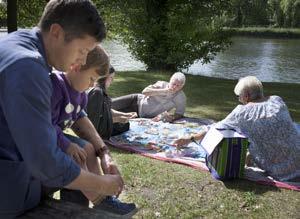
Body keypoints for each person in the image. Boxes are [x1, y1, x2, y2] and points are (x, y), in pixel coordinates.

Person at [0, 1, 127, 217]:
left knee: (80, 154)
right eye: (82, 50)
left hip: (18, 164)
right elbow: (47, 164)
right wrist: (103, 185)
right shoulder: (29, 67)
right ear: (57, 32)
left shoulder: (19, 41)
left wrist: (103, 151)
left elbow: (78, 116)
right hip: (10, 189)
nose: (83, 60)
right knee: (71, 164)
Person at [50, 45, 137, 216]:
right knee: (77, 158)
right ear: (76, 66)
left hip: (57, 137)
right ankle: (99, 200)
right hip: (47, 138)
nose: (91, 85)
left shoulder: (81, 94)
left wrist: (104, 153)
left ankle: (104, 199)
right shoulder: (56, 86)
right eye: (90, 78)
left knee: (88, 148)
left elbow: (78, 118)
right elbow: (45, 124)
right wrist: (67, 144)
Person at [174, 76, 300, 182]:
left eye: (239, 96)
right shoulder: (277, 101)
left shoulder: (241, 113)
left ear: (246, 96)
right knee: (293, 126)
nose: (239, 100)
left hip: (282, 172)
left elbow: (215, 128)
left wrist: (190, 138)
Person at [111, 72, 186, 123]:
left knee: (112, 116)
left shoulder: (181, 97)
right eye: (173, 84)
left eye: (178, 85)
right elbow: (145, 91)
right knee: (109, 104)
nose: (175, 87)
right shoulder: (161, 84)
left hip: (139, 114)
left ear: (182, 86)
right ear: (170, 81)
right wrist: (164, 91)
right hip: (135, 100)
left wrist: (172, 117)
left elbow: (179, 113)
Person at [87, 65, 137, 140]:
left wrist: (125, 114)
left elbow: (107, 109)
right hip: (95, 131)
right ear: (105, 77)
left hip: (99, 127)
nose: (112, 81)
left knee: (125, 124)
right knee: (124, 125)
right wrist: (118, 119)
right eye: (111, 78)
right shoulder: (97, 93)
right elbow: (94, 121)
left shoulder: (100, 90)